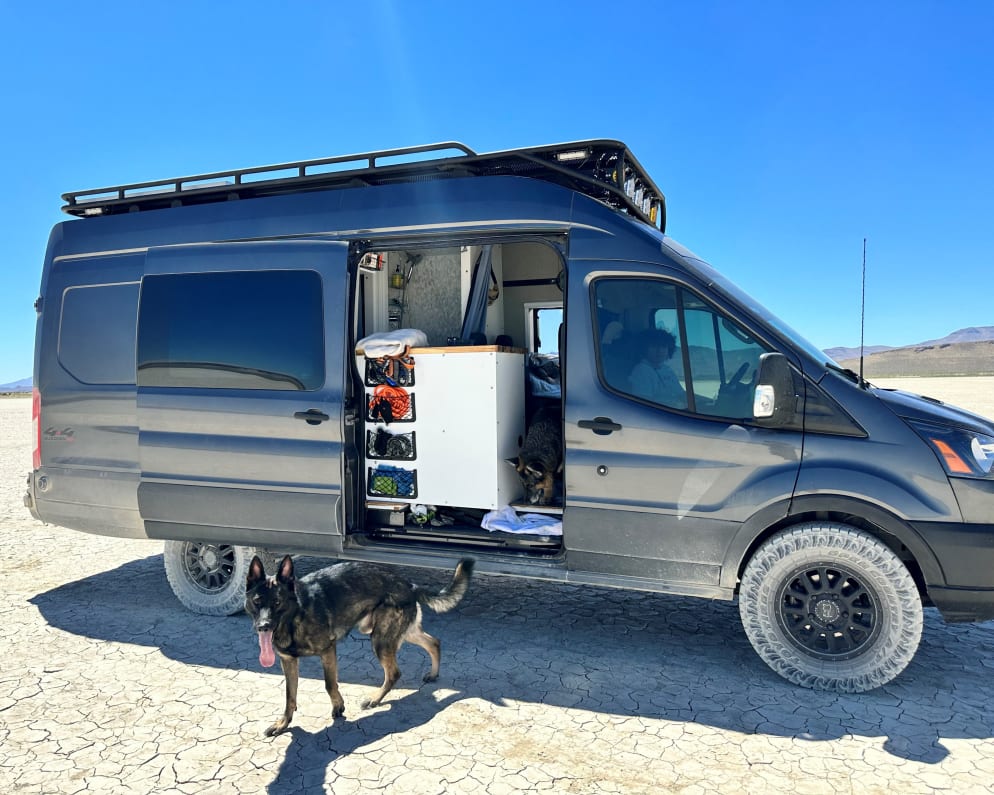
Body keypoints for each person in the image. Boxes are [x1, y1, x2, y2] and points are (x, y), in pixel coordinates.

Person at [628, 328, 686, 408]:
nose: (660, 351)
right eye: (654, 346)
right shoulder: (641, 371)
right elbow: (644, 404)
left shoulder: (666, 369)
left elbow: (681, 394)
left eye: (664, 346)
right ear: (644, 348)